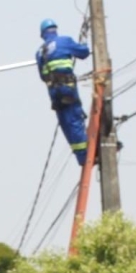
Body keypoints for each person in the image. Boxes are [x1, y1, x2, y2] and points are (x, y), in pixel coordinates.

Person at [35, 18, 91, 166]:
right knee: (75, 119)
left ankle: (81, 157)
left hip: (53, 92)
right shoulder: (64, 41)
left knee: (66, 123)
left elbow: (42, 76)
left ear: (43, 34)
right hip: (67, 87)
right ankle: (86, 156)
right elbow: (84, 53)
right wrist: (84, 42)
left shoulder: (40, 52)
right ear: (55, 29)